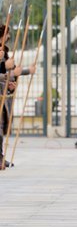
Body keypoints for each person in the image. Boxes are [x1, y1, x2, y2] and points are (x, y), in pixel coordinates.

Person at [0, 25, 35, 169]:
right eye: (7, 34)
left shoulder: (4, 51)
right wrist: (8, 71)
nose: (8, 37)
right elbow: (6, 72)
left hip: (1, 95)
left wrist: (13, 79)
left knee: (2, 126)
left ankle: (0, 157)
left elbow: (9, 72)